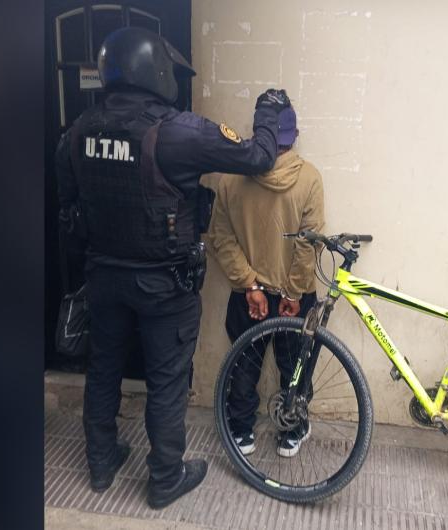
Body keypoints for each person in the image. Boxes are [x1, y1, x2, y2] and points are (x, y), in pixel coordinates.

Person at [55, 26, 291, 509]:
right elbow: (258, 156)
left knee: (103, 370)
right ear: (156, 72)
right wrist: (269, 111)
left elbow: (68, 203)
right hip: (163, 283)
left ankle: (101, 465)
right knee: (165, 379)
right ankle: (165, 477)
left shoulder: (78, 130)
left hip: (102, 278)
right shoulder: (178, 131)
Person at [207, 105, 325, 458]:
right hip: (296, 294)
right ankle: (293, 430)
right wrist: (293, 292)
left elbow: (220, 238)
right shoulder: (310, 178)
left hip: (248, 297)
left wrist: (251, 286)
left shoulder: (231, 178)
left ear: (261, 135)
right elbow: (310, 241)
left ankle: (241, 432)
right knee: (295, 365)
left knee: (244, 364)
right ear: (294, 137)